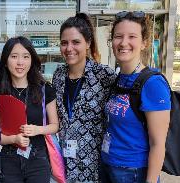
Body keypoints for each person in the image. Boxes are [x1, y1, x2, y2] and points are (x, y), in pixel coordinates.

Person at [100, 11, 171, 183]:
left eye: (132, 36)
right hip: (109, 165)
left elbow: (158, 144)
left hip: (133, 172)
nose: (124, 43)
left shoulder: (152, 83)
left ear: (144, 43)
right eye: (118, 36)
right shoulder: (118, 79)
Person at [52, 13, 116, 182]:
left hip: (95, 167)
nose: (69, 48)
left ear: (87, 43)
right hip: (65, 164)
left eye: (76, 42)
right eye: (64, 43)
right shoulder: (58, 76)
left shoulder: (104, 76)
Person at [0, 36, 59, 183]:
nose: (20, 62)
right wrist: (14, 139)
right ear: (6, 61)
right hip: (8, 159)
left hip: (38, 159)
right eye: (14, 56)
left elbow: (55, 126)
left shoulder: (45, 89)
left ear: (32, 61)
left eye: (26, 57)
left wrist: (37, 130)